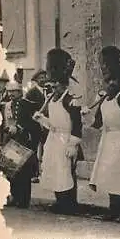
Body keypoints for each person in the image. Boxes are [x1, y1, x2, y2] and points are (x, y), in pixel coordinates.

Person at [88, 46, 120, 223]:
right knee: (110, 174)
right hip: (108, 140)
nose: (109, 84)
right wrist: (85, 114)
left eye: (112, 82)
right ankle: (113, 208)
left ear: (119, 82)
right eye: (107, 81)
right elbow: (97, 123)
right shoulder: (104, 99)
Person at [32, 49, 83, 215]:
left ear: (64, 84)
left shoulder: (71, 100)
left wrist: (73, 145)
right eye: (52, 85)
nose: (54, 88)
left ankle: (70, 203)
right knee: (54, 169)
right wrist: (42, 119)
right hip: (54, 139)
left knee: (66, 171)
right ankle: (59, 201)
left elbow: (77, 124)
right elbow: (53, 124)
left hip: (66, 140)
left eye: (57, 85)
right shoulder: (51, 99)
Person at [1, 81, 38, 209]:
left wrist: (20, 128)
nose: (11, 94)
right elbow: (4, 125)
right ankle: (14, 196)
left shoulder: (28, 105)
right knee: (11, 170)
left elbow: (34, 123)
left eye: (14, 91)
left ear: (20, 92)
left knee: (24, 172)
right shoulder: (6, 106)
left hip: (25, 141)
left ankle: (24, 200)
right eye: (9, 91)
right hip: (12, 141)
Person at [25, 69, 48, 183]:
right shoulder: (31, 92)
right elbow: (27, 110)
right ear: (36, 80)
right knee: (33, 149)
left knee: (47, 148)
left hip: (47, 125)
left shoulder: (49, 91)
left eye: (44, 77)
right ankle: (33, 174)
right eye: (41, 77)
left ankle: (46, 173)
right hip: (35, 125)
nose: (43, 79)